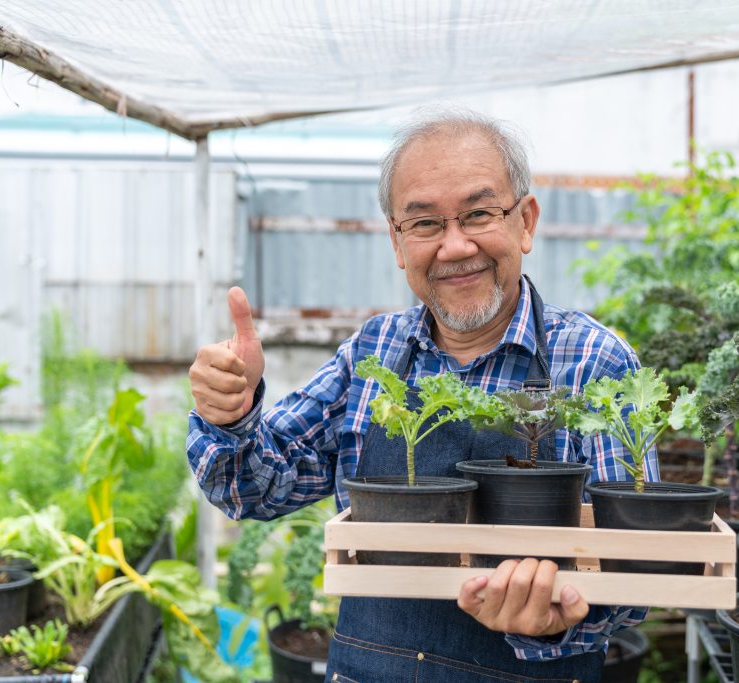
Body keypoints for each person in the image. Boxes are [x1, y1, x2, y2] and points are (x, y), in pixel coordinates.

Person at [187, 109, 656, 683]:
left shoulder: (594, 362)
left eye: (478, 214)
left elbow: (637, 576)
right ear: (397, 241)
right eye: (426, 224)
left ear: (525, 222)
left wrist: (556, 621)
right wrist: (232, 415)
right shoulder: (373, 353)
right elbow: (255, 488)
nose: (455, 247)